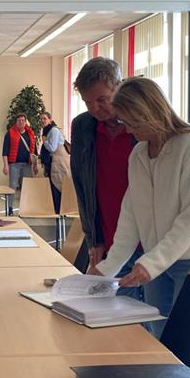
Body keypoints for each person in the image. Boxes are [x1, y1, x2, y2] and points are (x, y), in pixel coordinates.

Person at [91, 77, 190, 337]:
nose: (128, 130)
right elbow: (131, 215)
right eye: (124, 122)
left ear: (149, 113)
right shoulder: (140, 154)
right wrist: (107, 267)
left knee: (186, 341)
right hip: (156, 259)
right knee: (158, 337)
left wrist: (151, 263)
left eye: (132, 122)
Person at [70, 57, 140, 286]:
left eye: (102, 100)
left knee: (152, 315)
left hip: (147, 239)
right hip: (108, 239)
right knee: (116, 312)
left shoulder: (141, 124)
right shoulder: (83, 127)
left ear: (119, 87)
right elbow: (82, 187)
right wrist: (93, 239)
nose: (94, 109)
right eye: (87, 102)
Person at [1, 113, 38, 212]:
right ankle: (9, 208)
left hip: (27, 164)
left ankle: (26, 207)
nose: (21, 122)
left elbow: (34, 152)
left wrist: (35, 165)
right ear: (16, 122)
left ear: (26, 122)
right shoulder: (10, 133)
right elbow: (5, 151)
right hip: (14, 164)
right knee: (12, 186)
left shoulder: (30, 133)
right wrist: (6, 166)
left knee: (27, 186)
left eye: (23, 120)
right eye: (19, 120)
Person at [39, 111, 71, 212]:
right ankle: (57, 211)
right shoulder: (47, 130)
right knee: (55, 186)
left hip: (59, 162)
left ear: (50, 119)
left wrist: (44, 140)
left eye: (45, 118)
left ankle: (59, 212)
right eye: (41, 119)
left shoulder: (53, 131)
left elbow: (52, 148)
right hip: (55, 161)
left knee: (58, 186)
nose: (42, 120)